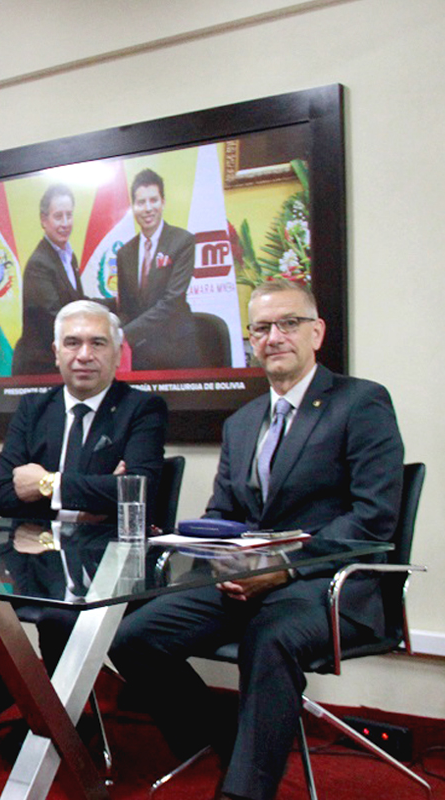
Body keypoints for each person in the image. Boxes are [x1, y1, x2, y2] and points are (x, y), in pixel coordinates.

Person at [108, 278, 404, 800]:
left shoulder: (361, 402)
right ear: (250, 340)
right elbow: (224, 513)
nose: (275, 337)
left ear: (317, 332)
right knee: (132, 637)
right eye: (262, 328)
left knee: (271, 637)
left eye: (289, 323)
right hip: (244, 582)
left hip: (324, 584)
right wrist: (198, 547)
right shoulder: (243, 421)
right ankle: (228, 738)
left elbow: (373, 518)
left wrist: (284, 567)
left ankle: (245, 791)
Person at [0, 300, 166, 712]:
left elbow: (136, 491)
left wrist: (45, 483)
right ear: (56, 353)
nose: (84, 355)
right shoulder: (35, 408)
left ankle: (69, 728)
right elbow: (0, 495)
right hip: (35, 555)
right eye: (72, 343)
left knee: (59, 617)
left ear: (116, 351)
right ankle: (17, 703)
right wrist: (99, 488)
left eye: (97, 343)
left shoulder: (141, 408)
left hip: (104, 561)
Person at [115, 168, 202, 370]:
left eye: (153, 200)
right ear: (133, 207)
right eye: (141, 202)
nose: (148, 208)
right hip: (140, 352)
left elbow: (172, 301)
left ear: (163, 202)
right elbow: (126, 307)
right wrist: (112, 329)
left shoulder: (183, 241)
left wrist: (125, 334)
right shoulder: (124, 253)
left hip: (177, 349)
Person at [12, 184, 100, 375]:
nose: (65, 222)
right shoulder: (39, 264)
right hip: (40, 367)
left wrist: (113, 304)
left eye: (69, 215)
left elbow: (77, 303)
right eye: (58, 216)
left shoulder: (68, 255)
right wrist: (97, 329)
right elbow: (56, 316)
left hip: (61, 362)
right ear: (44, 220)